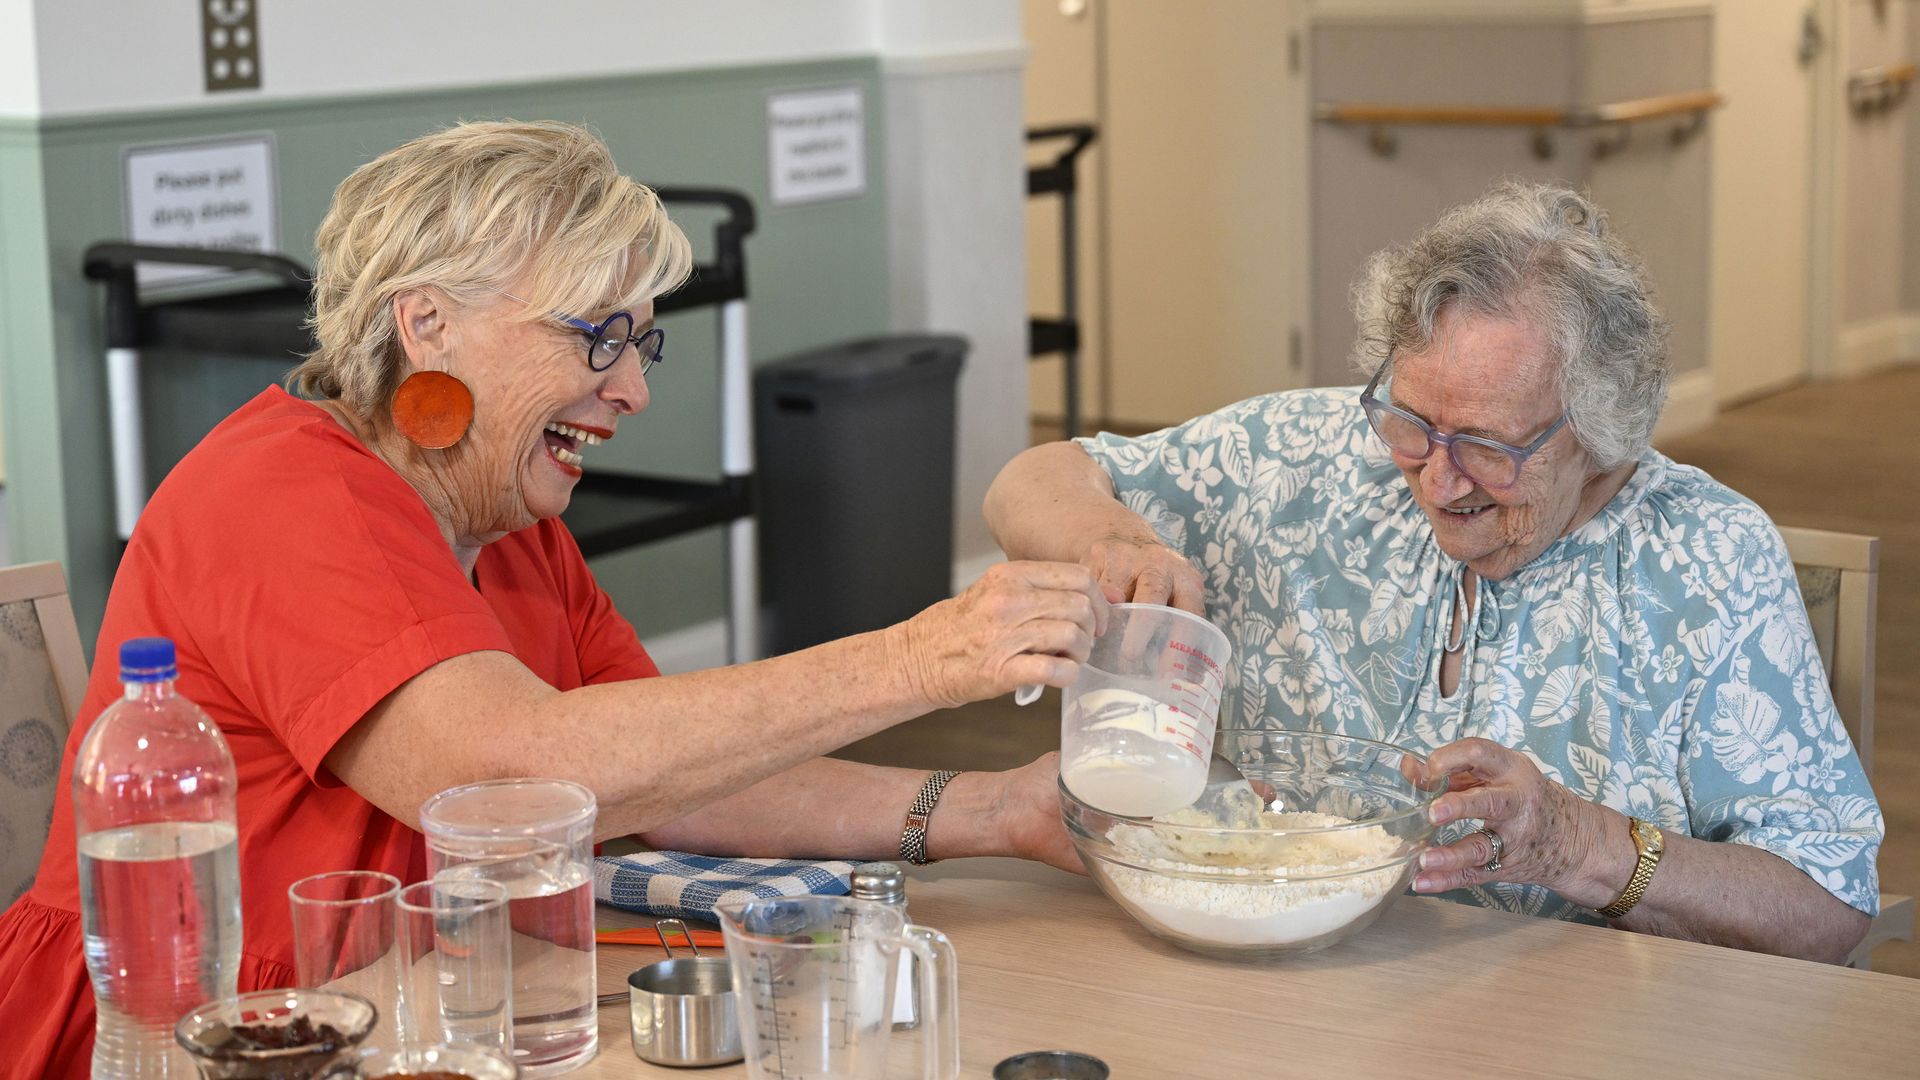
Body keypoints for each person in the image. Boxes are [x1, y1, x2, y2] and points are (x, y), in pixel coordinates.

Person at [0, 120, 1104, 1072]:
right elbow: (495, 779)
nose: (633, 388)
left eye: (643, 341)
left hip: (403, 1008)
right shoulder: (282, 494)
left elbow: (670, 786)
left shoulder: (507, 521)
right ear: (425, 324)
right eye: (599, 337)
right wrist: (919, 659)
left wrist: (998, 811)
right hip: (194, 1037)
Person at [986, 181, 1882, 962]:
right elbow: (1031, 481)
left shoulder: (1708, 560)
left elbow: (1828, 909)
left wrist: (1582, 846)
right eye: (1413, 422)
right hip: (1293, 984)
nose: (1437, 479)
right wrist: (1117, 538)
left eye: (1489, 446)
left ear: (1601, 427)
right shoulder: (1303, 455)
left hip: (1585, 1022)